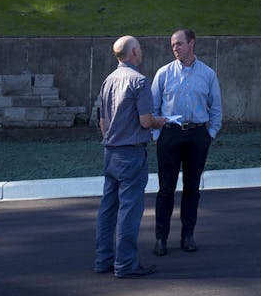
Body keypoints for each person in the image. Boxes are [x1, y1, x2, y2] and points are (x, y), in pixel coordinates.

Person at [94, 35, 165, 278]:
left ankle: (103, 260)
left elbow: (103, 121)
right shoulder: (139, 81)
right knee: (129, 210)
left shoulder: (108, 80)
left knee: (107, 208)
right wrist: (161, 122)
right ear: (133, 52)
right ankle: (125, 264)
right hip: (132, 152)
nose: (141, 52)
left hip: (110, 151)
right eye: (140, 49)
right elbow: (146, 121)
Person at [150, 28, 223, 256]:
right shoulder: (163, 73)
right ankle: (161, 239)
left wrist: (209, 134)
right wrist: (156, 135)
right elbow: (152, 107)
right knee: (166, 189)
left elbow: (217, 108)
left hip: (197, 135)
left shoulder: (208, 74)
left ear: (192, 43)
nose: (175, 48)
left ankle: (188, 235)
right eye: (173, 44)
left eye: (179, 44)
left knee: (192, 188)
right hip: (169, 135)